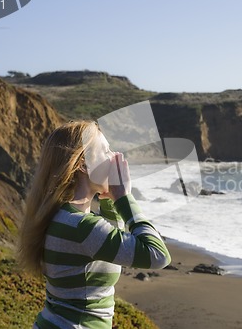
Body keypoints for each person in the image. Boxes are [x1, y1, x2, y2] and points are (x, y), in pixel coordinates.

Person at [18, 120, 171, 329]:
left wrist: (109, 200)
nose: (114, 157)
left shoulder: (61, 217)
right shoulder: (82, 228)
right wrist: (124, 199)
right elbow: (157, 255)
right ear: (82, 164)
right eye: (106, 151)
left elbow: (108, 247)